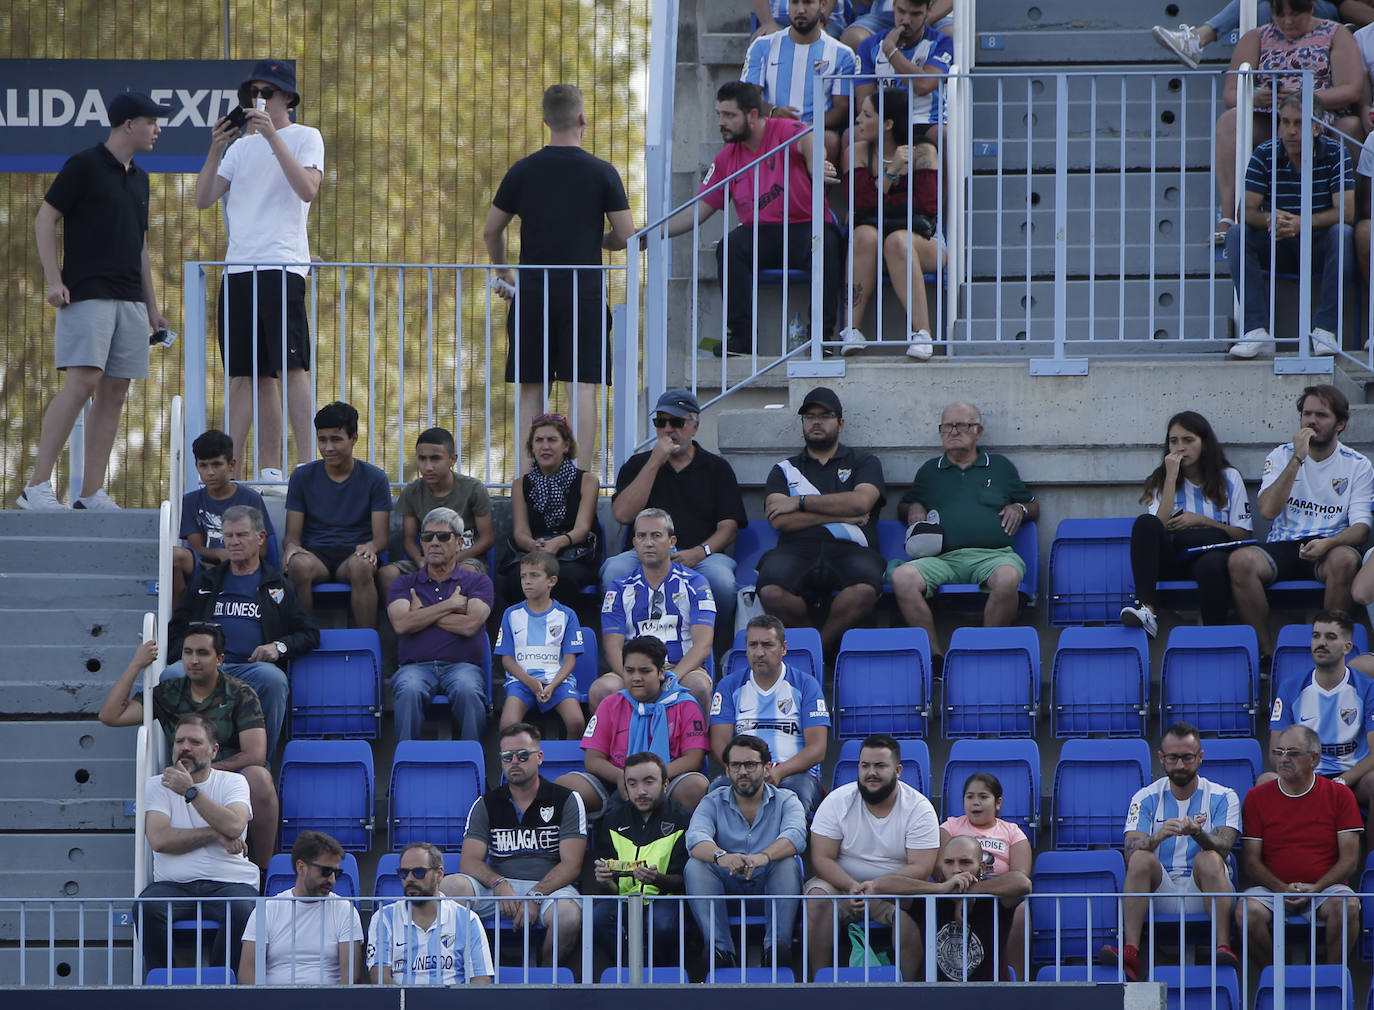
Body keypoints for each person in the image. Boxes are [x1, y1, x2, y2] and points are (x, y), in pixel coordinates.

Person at [19, 90, 171, 512]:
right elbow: (45, 218)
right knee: (83, 382)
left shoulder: (140, 178)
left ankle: (90, 493)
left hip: (130, 302)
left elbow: (139, 247)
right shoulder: (84, 165)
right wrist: (54, 280)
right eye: (151, 121)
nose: (158, 129)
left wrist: (152, 307)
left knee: (116, 391)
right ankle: (36, 487)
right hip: (86, 294)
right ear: (128, 125)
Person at [485, 83, 635, 466]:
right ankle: (581, 475)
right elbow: (625, 235)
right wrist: (593, 239)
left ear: (545, 121)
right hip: (582, 292)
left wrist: (504, 273)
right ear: (582, 119)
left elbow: (491, 231)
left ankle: (524, 475)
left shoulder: (523, 170)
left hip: (533, 291)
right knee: (582, 385)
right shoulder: (602, 172)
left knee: (530, 386)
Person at [193, 59, 323, 483]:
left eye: (268, 92)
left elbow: (307, 188)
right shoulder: (239, 148)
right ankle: (262, 468)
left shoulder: (306, 136)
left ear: (287, 97)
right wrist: (216, 148)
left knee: (290, 366)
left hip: (281, 264)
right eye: (253, 93)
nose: (259, 100)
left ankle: (305, 464)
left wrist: (272, 136)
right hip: (238, 269)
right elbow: (203, 198)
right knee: (248, 373)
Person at [659, 81, 842, 359]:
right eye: (719, 114)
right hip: (761, 233)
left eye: (729, 115)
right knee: (730, 246)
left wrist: (817, 164)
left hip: (806, 227)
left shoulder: (785, 130)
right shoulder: (725, 159)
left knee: (828, 243)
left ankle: (821, 337)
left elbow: (811, 141)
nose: (722, 122)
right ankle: (741, 339)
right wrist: (652, 233)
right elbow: (696, 211)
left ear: (754, 115)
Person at [98, 629, 279, 869]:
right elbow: (110, 716)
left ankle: (265, 870)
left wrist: (204, 771)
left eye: (203, 653)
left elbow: (255, 755)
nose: (194, 660)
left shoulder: (240, 693)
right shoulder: (169, 692)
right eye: (188, 652)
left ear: (219, 659)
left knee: (260, 777)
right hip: (180, 778)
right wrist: (136, 664)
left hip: (226, 777)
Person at [1228, 385, 1372, 661]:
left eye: (1321, 415)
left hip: (1329, 545)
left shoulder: (1357, 465)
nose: (1312, 421)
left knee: (1345, 559)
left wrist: (1328, 543)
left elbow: (1362, 528)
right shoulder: (1281, 456)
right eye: (1307, 414)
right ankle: (1266, 656)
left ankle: (1330, 654)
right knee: (1240, 561)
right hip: (1284, 543)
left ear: (1340, 424)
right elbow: (1268, 511)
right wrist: (1297, 458)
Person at [166, 504, 317, 760]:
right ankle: (183, 760)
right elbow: (177, 627)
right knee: (171, 673)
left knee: (274, 679)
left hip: (251, 668)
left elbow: (309, 633)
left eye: (241, 535)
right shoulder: (206, 581)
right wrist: (191, 654)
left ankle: (259, 762)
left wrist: (277, 647)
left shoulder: (278, 585)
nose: (233, 542)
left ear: (259, 538)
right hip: (207, 665)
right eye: (228, 536)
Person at [890, 401, 1037, 666]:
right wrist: (913, 506)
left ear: (978, 432)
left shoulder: (1000, 467)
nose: (953, 431)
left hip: (992, 557)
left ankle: (985, 653)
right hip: (942, 558)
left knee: (1008, 577)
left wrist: (1020, 508)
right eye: (947, 426)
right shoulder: (929, 471)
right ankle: (934, 657)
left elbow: (1034, 506)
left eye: (962, 425)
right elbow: (903, 507)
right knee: (902, 577)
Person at [1213, 0, 1361, 252]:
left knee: (1351, 126)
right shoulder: (1256, 37)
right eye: (1279, 14)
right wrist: (1255, 96)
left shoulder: (1336, 33)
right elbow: (1230, 94)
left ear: (1311, 8)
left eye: (1295, 13)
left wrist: (1302, 97)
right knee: (1230, 120)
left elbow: (1351, 89)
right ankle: (1229, 216)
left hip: (1320, 115)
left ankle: (1347, 214)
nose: (1287, 21)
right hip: (1270, 118)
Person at [1097, 723, 1241, 982]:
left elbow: (1225, 846)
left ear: (1200, 757)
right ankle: (1130, 951)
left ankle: (1223, 945)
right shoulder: (1144, 797)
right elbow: (1130, 852)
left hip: (1207, 889)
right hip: (1161, 891)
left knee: (1209, 857)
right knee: (1141, 857)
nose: (1180, 765)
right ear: (1161, 758)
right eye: (1172, 757)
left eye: (1187, 757)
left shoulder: (1224, 796)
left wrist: (1199, 834)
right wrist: (1158, 836)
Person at [440, 723, 587, 966]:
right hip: (500, 888)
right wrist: (498, 883)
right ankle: (464, 970)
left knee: (568, 916)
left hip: (550, 889)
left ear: (539, 757)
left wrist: (535, 895)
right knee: (449, 886)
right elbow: (469, 861)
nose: (514, 761)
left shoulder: (566, 800)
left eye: (522, 755)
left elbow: (571, 865)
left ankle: (546, 979)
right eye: (507, 757)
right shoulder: (486, 804)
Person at [1224, 94, 1355, 359]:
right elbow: (1245, 212)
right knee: (1237, 233)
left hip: (1317, 246)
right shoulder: (1265, 153)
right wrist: (1271, 219)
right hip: (1278, 243)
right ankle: (1255, 330)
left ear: (1317, 127)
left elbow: (1348, 212)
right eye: (1285, 122)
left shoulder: (1335, 152)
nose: (1291, 131)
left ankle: (1325, 331)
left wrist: (1301, 223)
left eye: (1299, 123)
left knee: (1343, 233)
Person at [757, 386, 887, 655]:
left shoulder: (864, 462)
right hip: (796, 549)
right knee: (770, 591)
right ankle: (816, 645)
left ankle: (818, 650)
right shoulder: (784, 469)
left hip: (850, 548)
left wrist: (800, 502)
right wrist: (843, 513)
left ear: (840, 423)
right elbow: (780, 521)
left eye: (825, 415)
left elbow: (862, 503)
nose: (816, 421)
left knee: (864, 590)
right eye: (809, 416)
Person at [603, 388, 748, 622]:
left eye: (676, 422)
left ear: (694, 426)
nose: (668, 429)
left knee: (721, 581)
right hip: (644, 553)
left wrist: (700, 552)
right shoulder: (638, 464)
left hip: (703, 556)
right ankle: (626, 644)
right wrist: (655, 462)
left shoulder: (716, 468)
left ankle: (712, 646)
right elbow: (623, 514)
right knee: (614, 571)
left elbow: (729, 528)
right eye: (661, 422)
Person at [805, 733, 941, 981]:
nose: (871, 773)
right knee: (816, 898)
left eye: (880, 766)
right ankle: (818, 985)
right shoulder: (837, 801)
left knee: (912, 912)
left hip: (894, 891)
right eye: (865, 765)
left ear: (898, 770)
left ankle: (910, 990)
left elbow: (921, 868)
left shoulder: (919, 809)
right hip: (843, 886)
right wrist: (851, 885)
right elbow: (822, 859)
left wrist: (877, 886)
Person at [133, 714, 259, 973]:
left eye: (194, 742)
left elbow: (235, 825)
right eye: (179, 741)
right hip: (173, 886)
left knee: (243, 910)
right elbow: (159, 839)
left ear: (214, 750)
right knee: (147, 908)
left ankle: (222, 987)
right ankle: (163, 985)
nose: (185, 747)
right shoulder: (157, 785)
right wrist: (215, 833)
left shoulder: (234, 782)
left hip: (231, 885)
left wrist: (191, 792)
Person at [1119, 411, 1253, 638]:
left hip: (1212, 555)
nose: (1180, 448)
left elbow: (1244, 535)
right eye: (1174, 441)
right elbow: (1156, 527)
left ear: (1204, 443)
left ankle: (1216, 639)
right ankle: (1147, 611)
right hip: (1175, 556)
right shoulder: (1161, 479)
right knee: (1144, 523)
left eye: (1188, 440)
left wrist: (1201, 521)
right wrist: (1171, 478)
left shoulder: (1229, 478)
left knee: (1210, 565)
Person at [1237, 725, 1362, 964]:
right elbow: (1251, 860)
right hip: (1272, 889)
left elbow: (1350, 860)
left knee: (1348, 906)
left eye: (1292, 753)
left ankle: (1330, 981)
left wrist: (1316, 888)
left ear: (1314, 758)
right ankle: (1276, 981)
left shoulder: (1340, 795)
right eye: (1279, 752)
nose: (1283, 759)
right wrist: (1280, 888)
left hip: (1326, 888)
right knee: (1246, 911)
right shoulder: (1257, 797)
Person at [836, 88, 944, 359]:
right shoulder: (856, 152)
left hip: (923, 241)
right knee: (863, 234)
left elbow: (925, 207)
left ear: (888, 124)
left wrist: (878, 196)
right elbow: (858, 205)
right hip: (872, 242)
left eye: (866, 115)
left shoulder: (923, 152)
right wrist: (890, 172)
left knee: (897, 240)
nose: (858, 120)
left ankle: (922, 334)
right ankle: (852, 329)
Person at [685, 734, 807, 970]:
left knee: (786, 862)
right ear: (727, 770)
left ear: (767, 768)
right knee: (696, 865)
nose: (743, 771)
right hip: (727, 887)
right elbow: (695, 838)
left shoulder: (787, 800)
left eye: (750, 765)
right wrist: (722, 856)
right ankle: (720, 952)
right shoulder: (712, 801)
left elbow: (796, 836)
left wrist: (764, 856)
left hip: (769, 885)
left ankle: (776, 951)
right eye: (735, 765)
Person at [562, 636, 710, 816]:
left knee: (696, 786)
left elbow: (694, 759)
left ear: (661, 672)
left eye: (645, 671)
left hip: (667, 780)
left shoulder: (686, 704)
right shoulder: (610, 704)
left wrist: (651, 778)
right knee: (565, 786)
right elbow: (592, 760)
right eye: (629, 671)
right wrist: (623, 778)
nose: (636, 678)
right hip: (617, 781)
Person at [594, 509, 718, 713]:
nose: (648, 542)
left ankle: (695, 746)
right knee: (602, 689)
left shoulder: (696, 584)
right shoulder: (618, 588)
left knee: (698, 686)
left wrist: (672, 679)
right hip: (634, 671)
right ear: (634, 543)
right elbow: (612, 648)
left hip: (681, 669)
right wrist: (632, 677)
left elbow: (703, 645)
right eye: (642, 536)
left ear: (672, 541)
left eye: (656, 535)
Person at [281, 400, 393, 628]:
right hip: (315, 555)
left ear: (354, 439)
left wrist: (371, 547)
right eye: (322, 439)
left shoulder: (375, 478)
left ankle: (366, 644)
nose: (328, 447)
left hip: (355, 554)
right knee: (298, 565)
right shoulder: (302, 477)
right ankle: (301, 639)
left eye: (336, 439)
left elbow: (381, 537)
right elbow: (292, 535)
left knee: (361, 567)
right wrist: (291, 548)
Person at [386, 507, 494, 742]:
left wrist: (422, 614)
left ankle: (474, 768)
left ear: (459, 543)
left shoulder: (478, 581)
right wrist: (450, 605)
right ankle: (406, 765)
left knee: (468, 690)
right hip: (415, 667)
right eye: (427, 536)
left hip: (463, 667)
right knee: (409, 689)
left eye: (443, 536)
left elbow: (470, 625)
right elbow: (402, 624)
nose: (434, 542)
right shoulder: (403, 583)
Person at [709, 615, 830, 818]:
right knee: (715, 794)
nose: (759, 652)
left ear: (783, 648)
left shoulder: (805, 685)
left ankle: (788, 850)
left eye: (767, 645)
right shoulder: (729, 686)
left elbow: (818, 749)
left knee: (792, 798)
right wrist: (743, 769)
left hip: (793, 774)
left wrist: (779, 772)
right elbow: (719, 743)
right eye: (752, 645)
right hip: (742, 771)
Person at [1268, 611, 1374, 839]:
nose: (1321, 643)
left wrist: (1342, 781)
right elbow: (1276, 753)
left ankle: (1371, 867)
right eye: (1316, 636)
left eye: (1330, 637)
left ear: (1347, 647)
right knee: (1265, 782)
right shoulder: (1291, 688)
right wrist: (1309, 781)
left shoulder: (1367, 688)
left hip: (1352, 778)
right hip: (1305, 775)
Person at [591, 751, 693, 964]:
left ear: (665, 784)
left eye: (649, 782)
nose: (641, 791)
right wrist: (605, 881)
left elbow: (685, 881)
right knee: (597, 919)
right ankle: (629, 969)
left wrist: (657, 879)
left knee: (662, 924)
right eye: (633, 784)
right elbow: (609, 890)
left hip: (667, 899)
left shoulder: (683, 818)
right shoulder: (612, 820)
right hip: (623, 900)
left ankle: (656, 973)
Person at [378, 427, 495, 597]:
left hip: (464, 557)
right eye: (422, 459)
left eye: (435, 459)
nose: (428, 466)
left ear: (452, 459)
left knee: (466, 572)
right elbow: (409, 540)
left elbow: (487, 538)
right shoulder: (412, 491)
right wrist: (420, 560)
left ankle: (455, 621)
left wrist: (454, 559)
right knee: (387, 574)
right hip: (428, 559)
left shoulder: (473, 489)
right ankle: (405, 621)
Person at [940, 772, 1033, 982]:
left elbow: (1021, 875)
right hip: (954, 894)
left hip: (999, 897)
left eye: (983, 797)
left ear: (998, 802)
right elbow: (939, 869)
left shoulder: (1012, 832)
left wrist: (975, 890)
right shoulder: (950, 827)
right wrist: (960, 895)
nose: (976, 803)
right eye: (970, 797)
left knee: (1021, 911)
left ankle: (1017, 980)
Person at [502, 412, 604, 606]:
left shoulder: (587, 481)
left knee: (564, 578)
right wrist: (534, 546)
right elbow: (521, 532)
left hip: (573, 553)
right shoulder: (520, 485)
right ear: (532, 446)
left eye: (552, 440)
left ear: (566, 445)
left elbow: (582, 529)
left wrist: (557, 544)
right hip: (534, 552)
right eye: (538, 440)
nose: (545, 446)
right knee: (515, 579)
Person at [239, 830, 364, 985]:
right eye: (325, 871)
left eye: (336, 873)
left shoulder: (345, 910)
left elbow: (351, 977)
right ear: (301, 867)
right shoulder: (266, 910)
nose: (331, 879)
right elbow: (247, 975)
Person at [742, 0, 859, 163]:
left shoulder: (843, 54)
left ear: (823, 5)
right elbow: (746, 97)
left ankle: (811, 189)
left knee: (829, 141)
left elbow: (842, 107)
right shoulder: (762, 45)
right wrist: (773, 112)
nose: (800, 9)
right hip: (771, 127)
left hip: (814, 131)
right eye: (794, 3)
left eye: (808, 2)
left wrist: (806, 126)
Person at [366, 841, 494, 985]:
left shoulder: (468, 920)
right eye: (403, 873)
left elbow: (480, 979)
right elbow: (380, 978)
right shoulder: (384, 918)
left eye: (418, 872)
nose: (409, 879)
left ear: (439, 874)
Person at [173, 431, 275, 602]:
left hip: (243, 562)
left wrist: (230, 557)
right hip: (204, 565)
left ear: (231, 465)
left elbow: (262, 549)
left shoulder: (250, 498)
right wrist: (219, 554)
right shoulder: (190, 501)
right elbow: (196, 547)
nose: (210, 472)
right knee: (174, 556)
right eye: (203, 465)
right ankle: (177, 623)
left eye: (216, 464)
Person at [495, 550, 587, 739]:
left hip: (558, 682)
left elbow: (570, 660)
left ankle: (565, 764)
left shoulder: (566, 615)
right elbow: (507, 660)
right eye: (523, 576)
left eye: (534, 575)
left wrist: (553, 685)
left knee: (576, 721)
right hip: (521, 681)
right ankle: (517, 764)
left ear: (551, 581)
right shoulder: (511, 615)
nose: (527, 581)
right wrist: (529, 681)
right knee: (507, 725)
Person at [1150, 0, 1358, 69]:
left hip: (1322, 11)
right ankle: (1198, 38)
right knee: (1257, 9)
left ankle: (1199, 38)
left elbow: (1348, 6)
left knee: (1261, 8)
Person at [852, 0, 953, 133]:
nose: (906, 20)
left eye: (915, 14)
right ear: (894, 5)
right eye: (901, 11)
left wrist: (891, 51)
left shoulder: (943, 43)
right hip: (883, 125)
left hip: (924, 122)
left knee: (943, 136)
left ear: (928, 10)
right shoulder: (869, 46)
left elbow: (923, 85)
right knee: (850, 137)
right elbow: (863, 102)